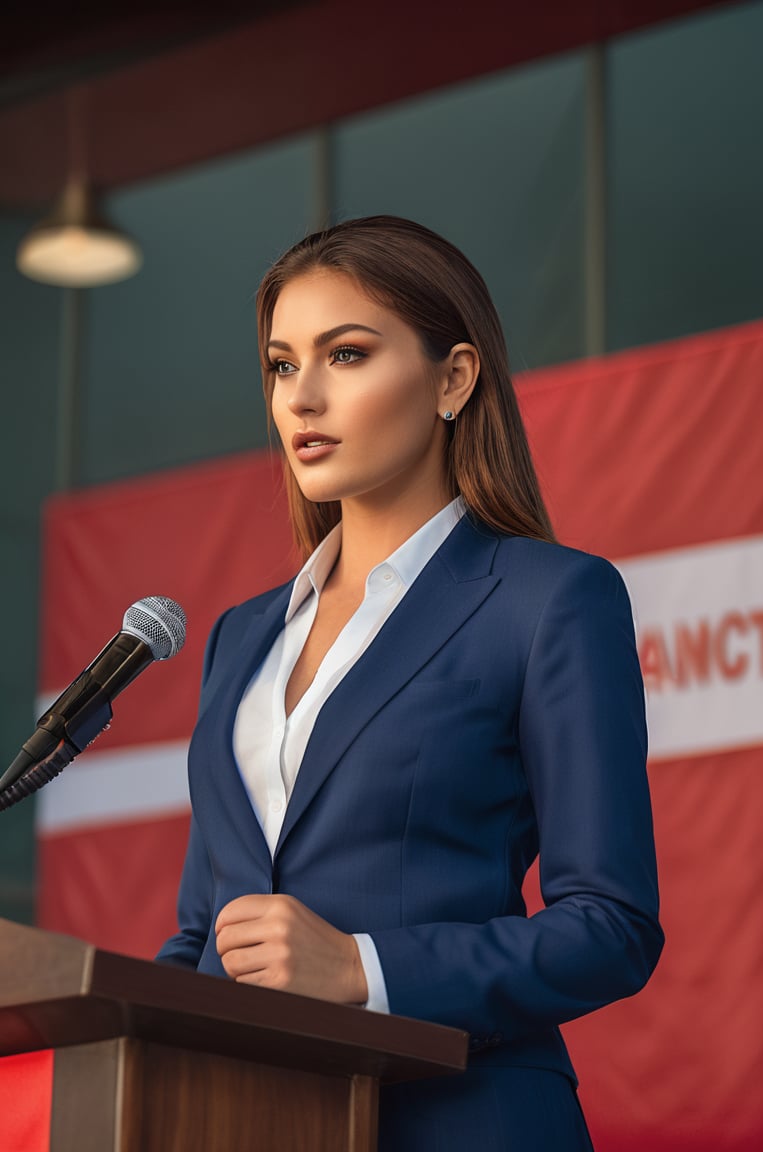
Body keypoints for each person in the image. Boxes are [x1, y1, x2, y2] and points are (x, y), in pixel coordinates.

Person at [157, 215, 663, 1150]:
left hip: (466, 1120)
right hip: (251, 1124)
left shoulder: (551, 599)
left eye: (345, 355)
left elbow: (613, 927)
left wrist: (364, 968)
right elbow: (203, 937)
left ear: (453, 378)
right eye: (280, 364)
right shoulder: (239, 638)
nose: (301, 396)